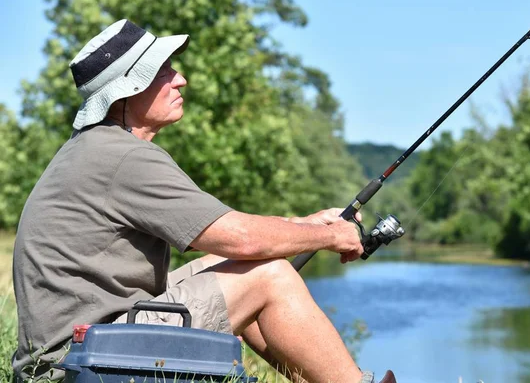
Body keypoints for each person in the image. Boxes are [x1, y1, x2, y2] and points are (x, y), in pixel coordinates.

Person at [12, 19, 396, 383]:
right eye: (162, 72)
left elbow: (222, 233)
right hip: (82, 364)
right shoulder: (125, 156)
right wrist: (330, 238)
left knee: (237, 264)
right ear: (127, 89)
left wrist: (308, 224)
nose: (180, 80)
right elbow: (243, 238)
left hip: (73, 353)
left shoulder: (94, 149)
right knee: (270, 274)